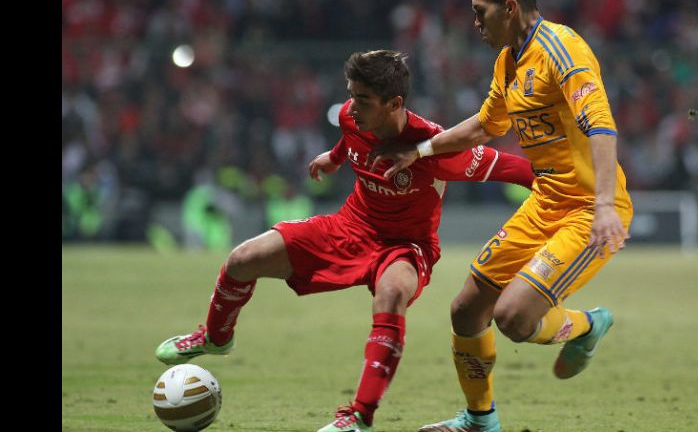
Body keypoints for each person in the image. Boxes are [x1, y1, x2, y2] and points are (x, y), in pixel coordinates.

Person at [154, 50, 535, 432]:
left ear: (394, 103)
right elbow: (349, 140)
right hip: (349, 226)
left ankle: (358, 416)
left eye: (363, 100)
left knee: (391, 295)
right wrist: (333, 159)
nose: (351, 107)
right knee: (243, 259)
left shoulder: (435, 146)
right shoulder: (350, 117)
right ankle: (216, 337)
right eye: (350, 94)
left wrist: (564, 188)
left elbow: (515, 168)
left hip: (405, 246)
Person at [368, 0, 633, 432]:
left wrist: (606, 206)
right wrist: (421, 150)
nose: (474, 22)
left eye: (480, 11)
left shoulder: (563, 50)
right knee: (466, 310)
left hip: (585, 210)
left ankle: (589, 324)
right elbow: (484, 127)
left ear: (509, 8)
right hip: (544, 202)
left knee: (513, 317)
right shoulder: (508, 62)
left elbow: (600, 125)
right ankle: (479, 419)